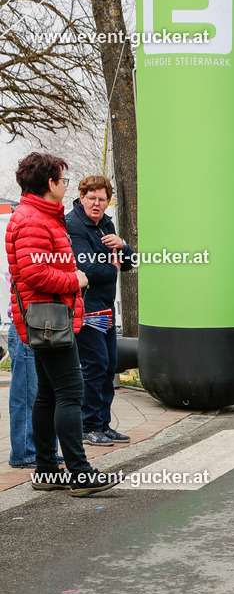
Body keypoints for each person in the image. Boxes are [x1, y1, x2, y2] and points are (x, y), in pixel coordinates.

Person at [6, 152, 122, 495]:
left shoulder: (39, 215)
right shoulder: (32, 219)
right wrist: (77, 280)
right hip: (50, 320)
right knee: (71, 392)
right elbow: (34, 273)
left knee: (47, 394)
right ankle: (80, 473)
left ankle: (46, 470)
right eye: (62, 179)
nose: (65, 185)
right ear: (50, 184)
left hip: (47, 319)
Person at [67, 176, 133, 445]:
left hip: (105, 307)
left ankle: (103, 424)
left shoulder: (106, 223)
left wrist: (123, 247)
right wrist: (113, 266)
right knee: (94, 367)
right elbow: (89, 269)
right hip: (86, 307)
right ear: (82, 197)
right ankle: (88, 426)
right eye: (91, 198)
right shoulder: (73, 224)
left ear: (108, 201)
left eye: (102, 199)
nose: (96, 203)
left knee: (108, 367)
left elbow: (129, 263)